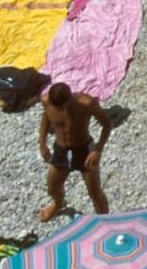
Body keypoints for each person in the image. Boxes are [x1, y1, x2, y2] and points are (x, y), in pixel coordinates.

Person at [38, 82, 111, 222]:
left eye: (62, 107)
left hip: (84, 150)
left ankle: (106, 221)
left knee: (94, 192)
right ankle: (59, 203)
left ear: (70, 98)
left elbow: (107, 124)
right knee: (52, 187)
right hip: (61, 150)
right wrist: (42, 143)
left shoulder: (86, 103)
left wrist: (97, 149)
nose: (59, 110)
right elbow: (46, 119)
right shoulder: (47, 102)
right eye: (56, 107)